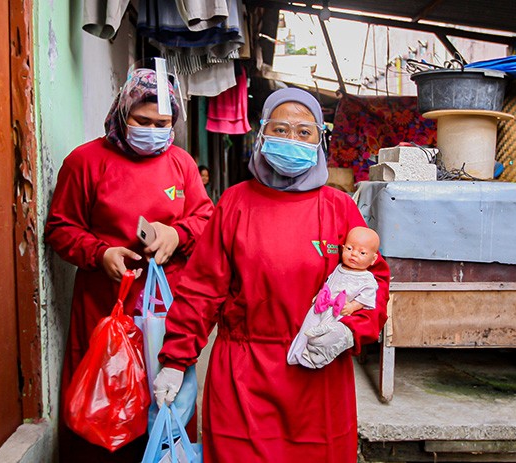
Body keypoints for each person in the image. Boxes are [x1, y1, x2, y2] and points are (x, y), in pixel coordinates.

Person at [152, 87, 390, 462]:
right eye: (280, 129)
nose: (291, 139)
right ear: (261, 134)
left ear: (319, 140)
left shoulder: (339, 208)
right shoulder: (234, 203)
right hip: (242, 377)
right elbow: (201, 289)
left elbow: (373, 280)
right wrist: (176, 359)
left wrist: (350, 330)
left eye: (304, 132)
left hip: (317, 374)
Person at [44, 66, 214, 462]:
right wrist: (100, 253)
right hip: (104, 312)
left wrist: (177, 234)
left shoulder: (181, 165)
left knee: (165, 410)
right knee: (102, 416)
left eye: (163, 123)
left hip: (165, 314)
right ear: (122, 111)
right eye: (143, 121)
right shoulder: (85, 162)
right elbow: (60, 229)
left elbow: (206, 221)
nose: (153, 130)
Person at [287, 226, 381, 369]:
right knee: (307, 328)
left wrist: (353, 306)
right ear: (342, 248)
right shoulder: (339, 268)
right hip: (321, 305)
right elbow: (329, 282)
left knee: (322, 337)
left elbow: (366, 298)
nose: (354, 254)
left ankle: (310, 359)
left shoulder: (367, 279)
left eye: (362, 253)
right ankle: (296, 352)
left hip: (337, 311)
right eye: (349, 249)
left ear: (373, 258)